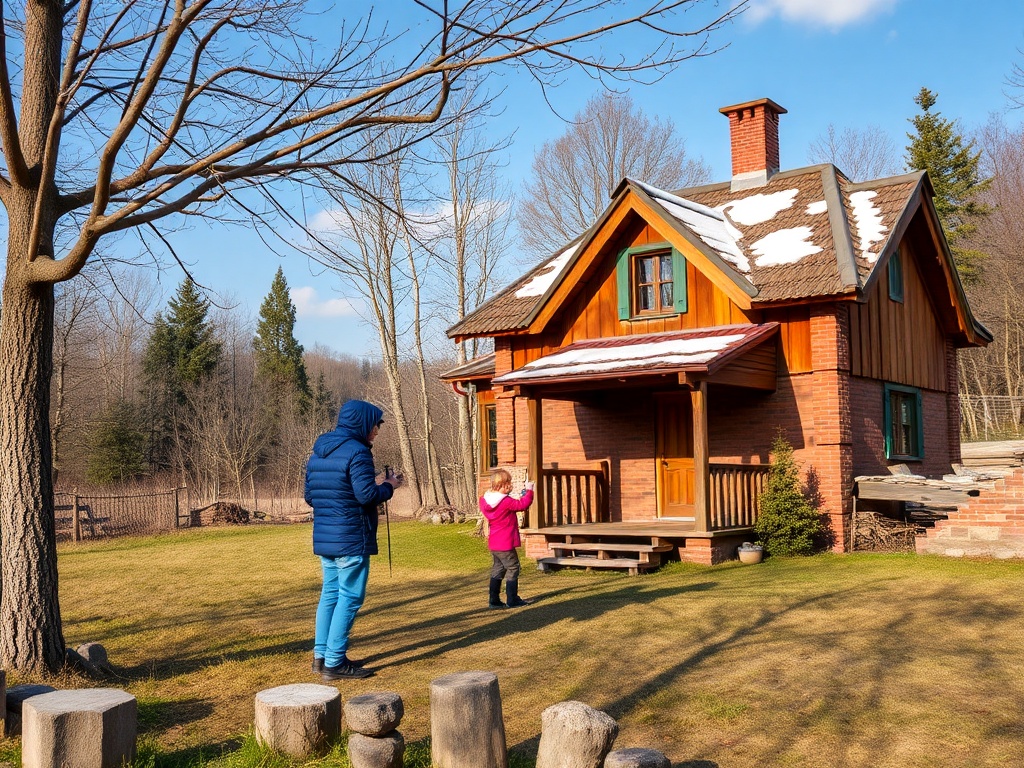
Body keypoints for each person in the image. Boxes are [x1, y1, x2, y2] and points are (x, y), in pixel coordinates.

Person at [305, 399, 403, 681]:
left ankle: (321, 657)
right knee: (349, 598)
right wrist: (388, 486)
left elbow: (312, 496)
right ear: (362, 423)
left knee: (330, 595)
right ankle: (335, 663)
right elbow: (366, 496)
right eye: (375, 425)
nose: (376, 431)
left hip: (326, 538)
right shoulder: (358, 452)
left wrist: (369, 484)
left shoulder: (319, 451)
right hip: (350, 538)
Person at [480, 469, 535, 609]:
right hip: (505, 542)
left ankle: (494, 600)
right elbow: (522, 505)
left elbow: (512, 503)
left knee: (498, 569)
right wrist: (529, 491)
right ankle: (512, 599)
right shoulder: (505, 501)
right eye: (508, 483)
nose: (510, 485)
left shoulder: (485, 500)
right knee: (513, 567)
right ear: (502, 485)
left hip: (494, 542)